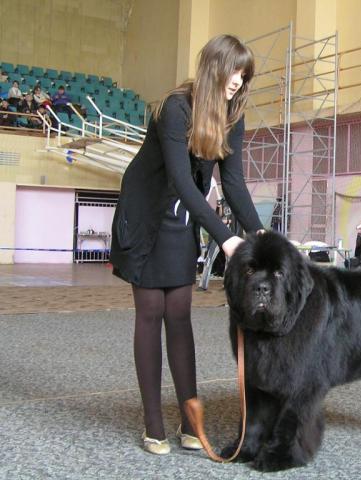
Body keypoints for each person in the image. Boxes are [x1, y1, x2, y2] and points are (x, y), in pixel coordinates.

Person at [110, 34, 263, 455]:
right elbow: (180, 178)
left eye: (245, 75)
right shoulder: (175, 108)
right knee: (152, 311)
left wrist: (259, 233)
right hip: (145, 215)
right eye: (235, 71)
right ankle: (153, 422)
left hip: (180, 214)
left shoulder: (233, 114)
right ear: (216, 66)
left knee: (179, 312)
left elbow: (231, 182)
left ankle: (189, 420)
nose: (239, 81)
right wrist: (226, 237)